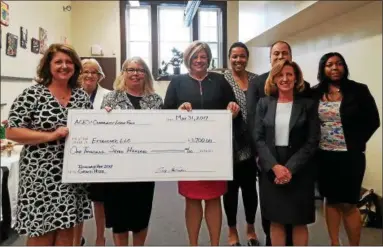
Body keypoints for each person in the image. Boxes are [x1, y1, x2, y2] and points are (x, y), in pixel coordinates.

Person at [5, 43, 93, 246]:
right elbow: (12, 131)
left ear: (75, 67)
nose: (64, 66)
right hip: (40, 176)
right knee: (41, 232)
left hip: (72, 175)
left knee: (66, 230)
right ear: (48, 66)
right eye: (58, 62)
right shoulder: (32, 94)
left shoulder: (81, 96)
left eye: (69, 62)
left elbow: (91, 129)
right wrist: (50, 136)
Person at [163, 41, 240, 246]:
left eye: (203, 56)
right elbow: (165, 113)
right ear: (188, 59)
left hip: (216, 151)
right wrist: (178, 111)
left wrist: (234, 108)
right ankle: (193, 244)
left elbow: (233, 106)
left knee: (214, 198)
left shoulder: (220, 80)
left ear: (209, 59)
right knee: (192, 198)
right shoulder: (177, 82)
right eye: (195, 56)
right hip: (188, 152)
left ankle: (215, 244)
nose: (199, 60)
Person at [246, 40, 311, 246]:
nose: (285, 78)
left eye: (289, 74)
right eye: (280, 75)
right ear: (273, 78)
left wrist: (289, 168)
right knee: (275, 220)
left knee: (300, 221)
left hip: (299, 168)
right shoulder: (264, 103)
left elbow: (312, 140)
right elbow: (258, 137)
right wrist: (274, 166)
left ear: (296, 77)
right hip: (271, 166)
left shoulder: (308, 104)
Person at [312, 52, 380, 246]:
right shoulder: (316, 92)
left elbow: (373, 120)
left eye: (339, 64)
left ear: (344, 67)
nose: (334, 68)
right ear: (323, 69)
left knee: (349, 203)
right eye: (330, 64)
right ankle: (335, 243)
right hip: (324, 156)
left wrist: (357, 141)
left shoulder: (359, 90)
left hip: (351, 157)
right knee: (331, 199)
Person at [101, 56, 163, 246]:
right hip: (117, 169)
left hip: (144, 168)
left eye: (140, 70)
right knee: (119, 220)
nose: (135, 74)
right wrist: (105, 117)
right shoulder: (111, 98)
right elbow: (101, 131)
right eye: (131, 70)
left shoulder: (155, 100)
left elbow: (162, 131)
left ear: (146, 74)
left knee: (140, 216)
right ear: (123, 73)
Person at [222, 42, 260, 246]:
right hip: (229, 144)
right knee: (230, 192)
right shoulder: (222, 80)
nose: (238, 60)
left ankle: (251, 228)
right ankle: (232, 231)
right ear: (229, 58)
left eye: (242, 56)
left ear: (247, 58)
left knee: (250, 191)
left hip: (252, 145)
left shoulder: (256, 80)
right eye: (234, 56)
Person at [73, 58, 111, 246]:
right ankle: (76, 238)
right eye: (84, 71)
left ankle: (100, 237)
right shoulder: (69, 94)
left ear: (100, 76)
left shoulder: (109, 96)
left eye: (93, 72)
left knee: (99, 200)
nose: (89, 75)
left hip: (99, 155)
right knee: (76, 200)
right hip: (75, 155)